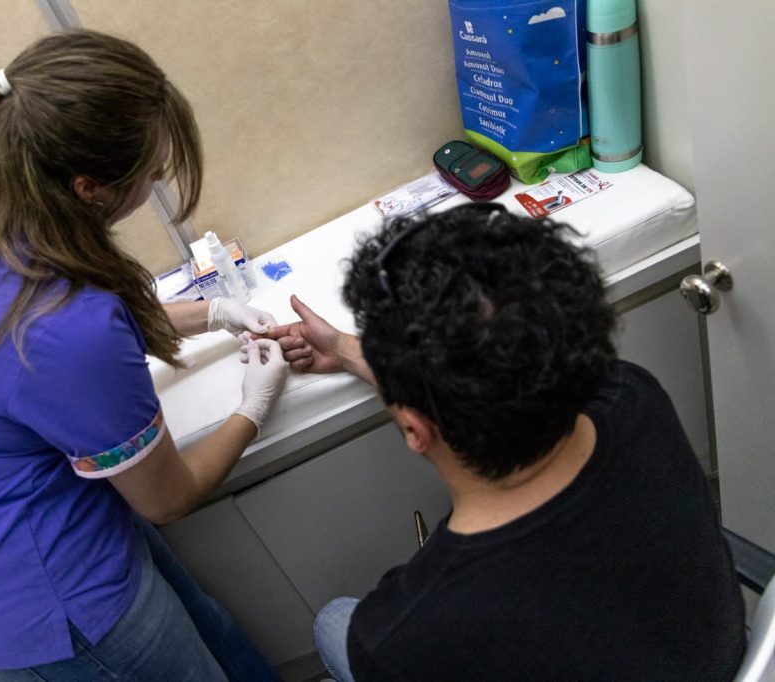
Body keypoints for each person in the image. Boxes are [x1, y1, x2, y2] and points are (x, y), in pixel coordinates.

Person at [0, 30, 287, 681]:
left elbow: (33, 359)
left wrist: (213, 313)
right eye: (151, 171)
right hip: (56, 620)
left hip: (9, 565)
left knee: (219, 635)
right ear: (90, 188)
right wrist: (253, 407)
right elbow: (167, 497)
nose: (159, 178)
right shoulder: (64, 323)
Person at [264, 203, 746, 680]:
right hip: (716, 654)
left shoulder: (399, 634)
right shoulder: (631, 394)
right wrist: (347, 350)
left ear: (415, 431)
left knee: (333, 621)